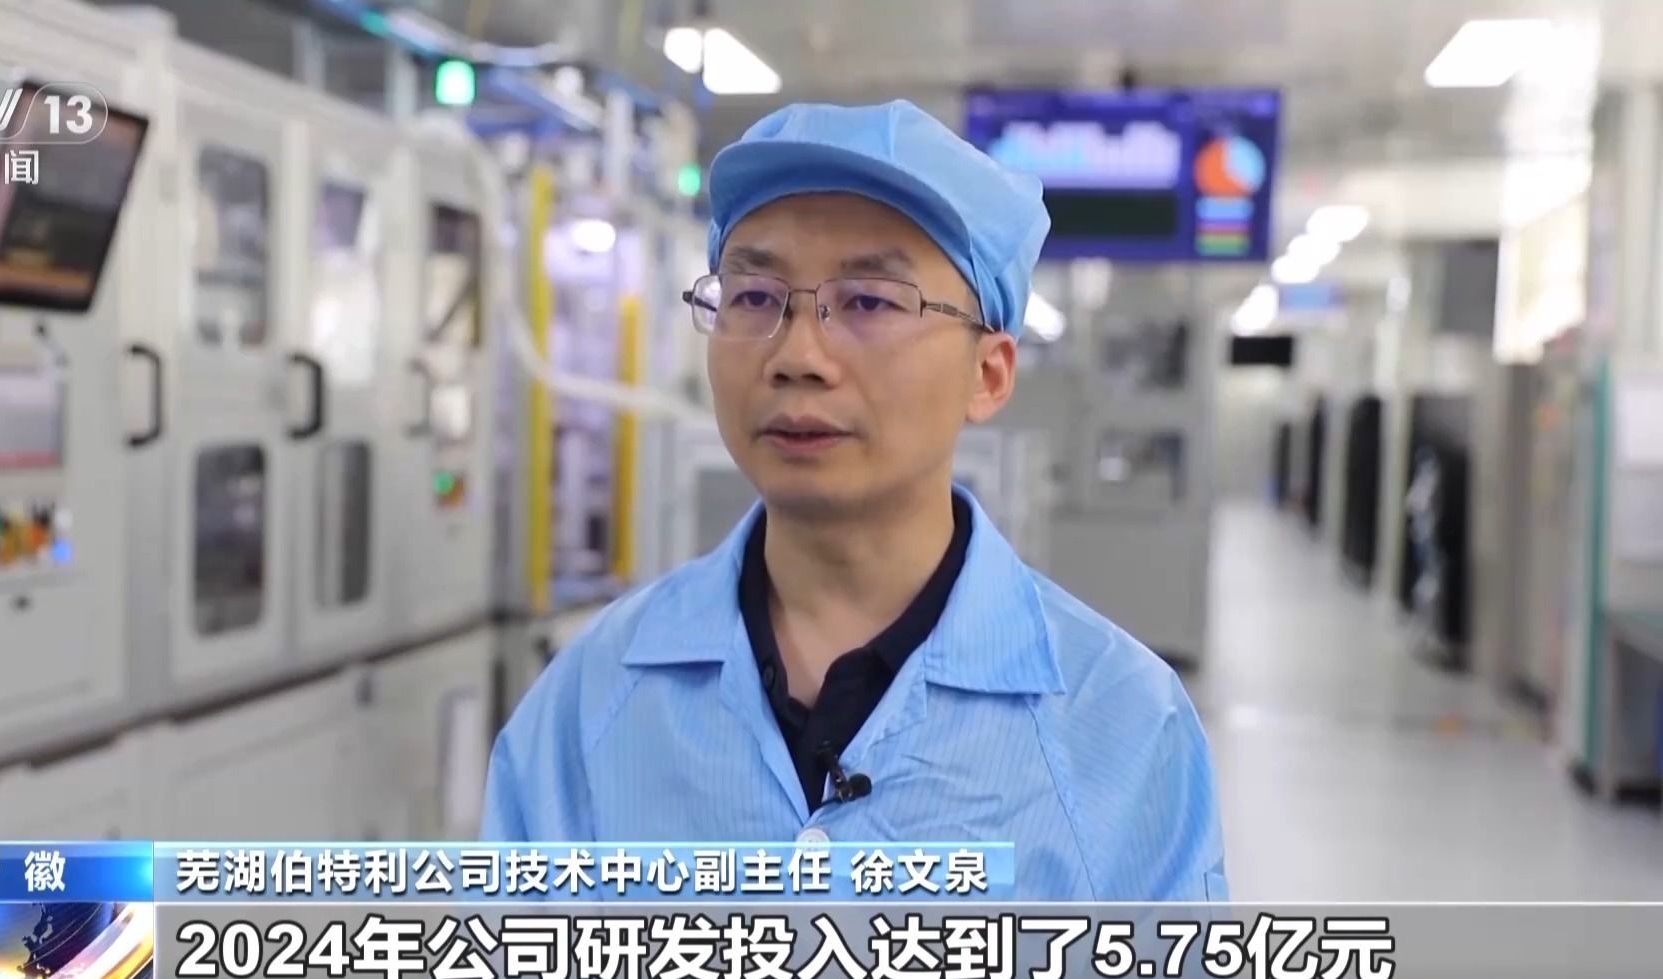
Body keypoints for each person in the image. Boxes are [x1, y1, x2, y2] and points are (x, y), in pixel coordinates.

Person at [480, 100, 1227, 901]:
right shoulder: (591, 700)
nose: (798, 354)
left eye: (870, 300)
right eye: (754, 297)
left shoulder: (1121, 725)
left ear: (988, 374)